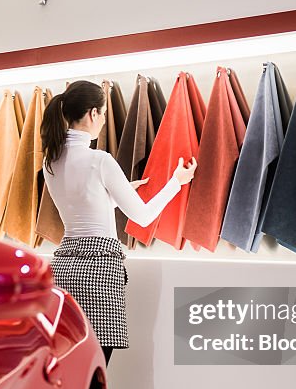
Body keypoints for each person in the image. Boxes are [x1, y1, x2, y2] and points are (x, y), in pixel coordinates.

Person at [41, 80, 196, 365]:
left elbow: (82, 208)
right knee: (94, 373)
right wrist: (177, 182)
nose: (101, 121)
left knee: (69, 372)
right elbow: (143, 216)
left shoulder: (50, 162)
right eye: (101, 114)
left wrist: (117, 194)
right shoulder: (100, 160)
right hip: (99, 270)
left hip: (63, 269)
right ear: (92, 114)